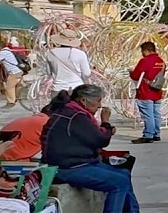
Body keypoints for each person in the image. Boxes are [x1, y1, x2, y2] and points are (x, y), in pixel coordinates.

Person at [41, 85, 140, 213]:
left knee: (124, 174)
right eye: (98, 100)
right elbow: (101, 139)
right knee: (119, 183)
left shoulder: (71, 112)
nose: (99, 106)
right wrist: (106, 123)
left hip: (76, 162)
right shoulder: (76, 116)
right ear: (83, 100)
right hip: (66, 168)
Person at [129, 41, 165, 144]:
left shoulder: (145, 61)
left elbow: (136, 75)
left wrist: (131, 72)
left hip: (145, 92)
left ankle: (148, 135)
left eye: (142, 51)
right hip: (157, 91)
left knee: (148, 114)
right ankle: (156, 134)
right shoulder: (161, 61)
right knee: (156, 113)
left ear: (145, 51)